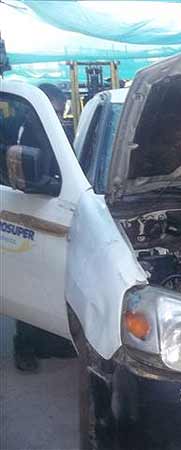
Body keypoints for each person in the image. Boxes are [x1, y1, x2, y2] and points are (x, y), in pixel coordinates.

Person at [13, 83, 76, 372]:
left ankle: (47, 343)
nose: (60, 117)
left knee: (51, 280)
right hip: (25, 211)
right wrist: (51, 185)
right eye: (56, 111)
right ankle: (24, 347)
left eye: (62, 112)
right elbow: (28, 173)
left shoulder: (55, 132)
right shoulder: (22, 132)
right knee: (27, 281)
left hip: (51, 211)